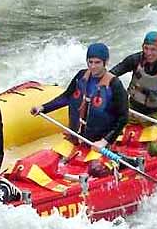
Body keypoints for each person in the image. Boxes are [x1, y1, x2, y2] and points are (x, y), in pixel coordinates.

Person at [31, 43, 128, 173]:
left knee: (95, 169)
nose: (93, 66)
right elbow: (66, 97)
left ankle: (120, 163)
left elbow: (123, 118)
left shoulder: (115, 85)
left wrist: (104, 142)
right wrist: (43, 107)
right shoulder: (81, 76)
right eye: (90, 62)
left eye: (97, 62)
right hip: (76, 138)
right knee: (49, 160)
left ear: (106, 62)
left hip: (99, 143)